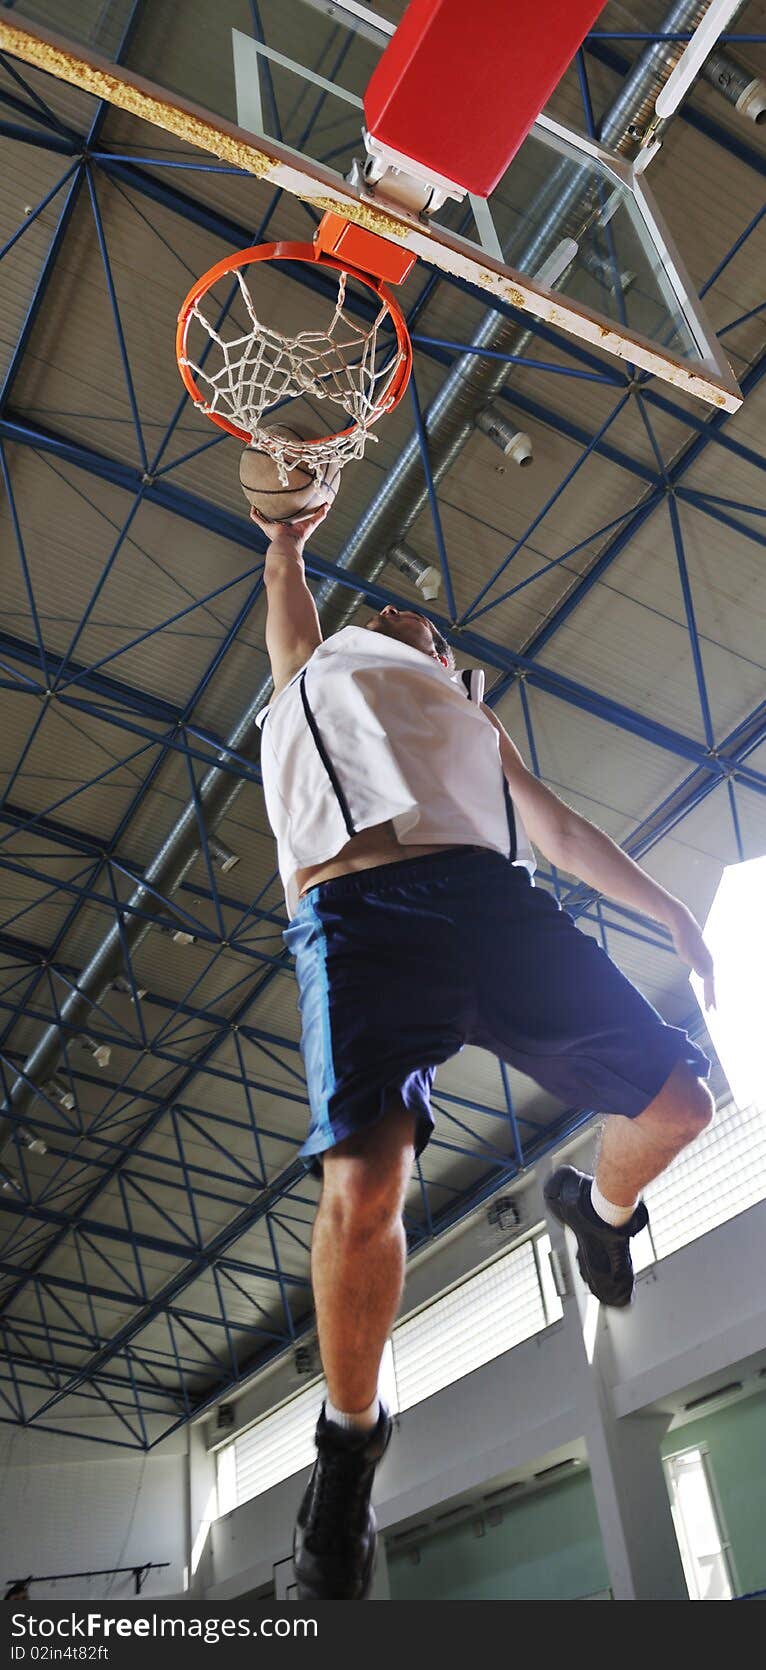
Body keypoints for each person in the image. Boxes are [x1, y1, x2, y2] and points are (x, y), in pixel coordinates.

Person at [252, 499, 715, 1601]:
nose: (404, 613)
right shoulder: (316, 668)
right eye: (388, 610)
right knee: (364, 1190)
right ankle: (348, 1446)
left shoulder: (466, 714)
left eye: (427, 622)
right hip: (357, 922)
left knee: (679, 1104)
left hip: (486, 901)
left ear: (451, 658)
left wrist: (672, 915)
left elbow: (556, 831)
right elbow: (287, 600)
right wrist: (283, 540)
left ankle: (597, 1217)